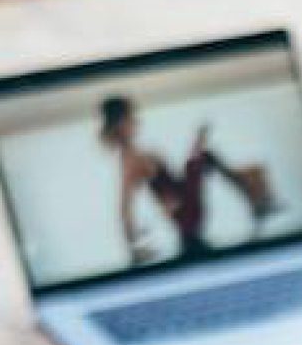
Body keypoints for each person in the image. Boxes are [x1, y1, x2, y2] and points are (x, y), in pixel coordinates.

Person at [97, 94, 276, 263]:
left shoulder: (136, 155)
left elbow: (177, 185)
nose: (138, 122)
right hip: (187, 217)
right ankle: (253, 194)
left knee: (204, 157)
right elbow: (124, 206)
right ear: (121, 124)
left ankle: (253, 195)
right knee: (203, 157)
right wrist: (134, 248)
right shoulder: (130, 161)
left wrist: (196, 146)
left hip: (187, 213)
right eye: (132, 117)